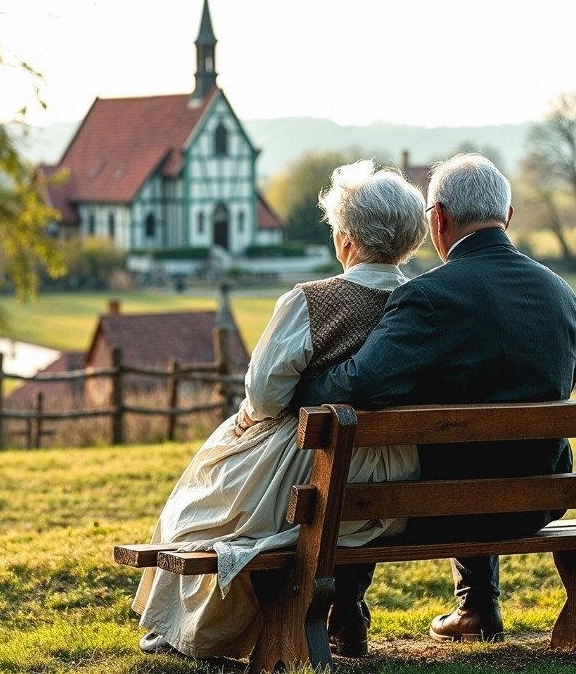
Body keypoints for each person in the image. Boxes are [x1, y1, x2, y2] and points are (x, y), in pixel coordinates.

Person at [133, 160, 429, 660]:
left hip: (322, 466)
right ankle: (346, 610)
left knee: (205, 495)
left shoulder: (311, 301)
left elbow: (266, 396)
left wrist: (255, 415)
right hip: (400, 473)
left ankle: (187, 629)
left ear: (347, 241)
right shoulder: (427, 302)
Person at [291, 152, 576, 646]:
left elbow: (363, 386)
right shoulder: (560, 293)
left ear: (439, 219)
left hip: (437, 505)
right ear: (507, 217)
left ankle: (343, 613)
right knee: (482, 446)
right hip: (541, 497)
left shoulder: (429, 296)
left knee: (374, 457)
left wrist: (302, 388)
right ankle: (477, 605)